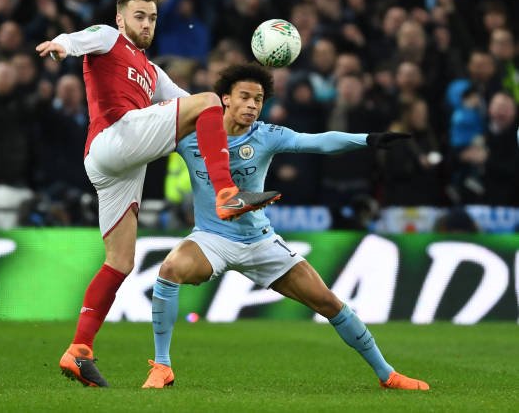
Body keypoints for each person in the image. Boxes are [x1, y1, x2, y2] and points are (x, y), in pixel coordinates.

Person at [35, 0, 280, 388]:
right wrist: (61, 45)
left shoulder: (151, 72)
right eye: (139, 16)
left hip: (119, 165)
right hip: (114, 136)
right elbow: (80, 39)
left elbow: (196, 109)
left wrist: (237, 122)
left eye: (151, 17)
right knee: (208, 100)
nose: (146, 24)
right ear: (121, 18)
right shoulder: (109, 38)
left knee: (120, 261)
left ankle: (78, 350)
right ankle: (226, 194)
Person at [141, 63, 429, 391]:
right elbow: (143, 141)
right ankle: (162, 366)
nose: (252, 105)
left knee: (328, 302)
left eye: (258, 99)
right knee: (170, 270)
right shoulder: (190, 136)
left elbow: (318, 142)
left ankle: (387, 374)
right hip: (211, 238)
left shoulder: (265, 135)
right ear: (225, 99)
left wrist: (367, 139)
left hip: (260, 242)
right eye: (244, 97)